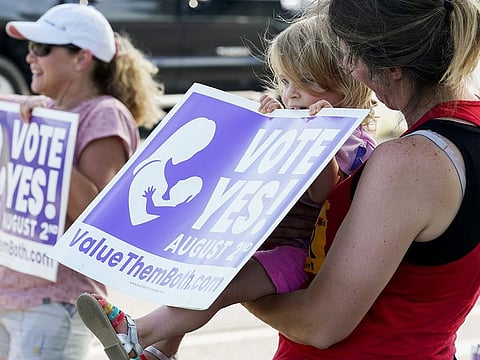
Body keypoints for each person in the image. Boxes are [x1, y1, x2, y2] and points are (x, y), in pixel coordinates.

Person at [75, 15, 377, 360]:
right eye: (284, 81)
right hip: (266, 241)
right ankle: (161, 349)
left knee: (217, 288)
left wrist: (319, 141)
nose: (291, 94)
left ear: (347, 85)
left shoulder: (352, 141)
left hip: (301, 254)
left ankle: (138, 333)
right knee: (198, 274)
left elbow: (324, 194)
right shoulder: (297, 118)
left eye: (306, 82)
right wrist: (265, 127)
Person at [242, 0, 480, 359]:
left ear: (393, 66)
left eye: (352, 58)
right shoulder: (466, 132)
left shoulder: (408, 162)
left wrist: (230, 289)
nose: (353, 73)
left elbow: (320, 325)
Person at [0, 3, 163, 360]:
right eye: (29, 48)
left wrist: (47, 141)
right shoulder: (42, 109)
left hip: (54, 305)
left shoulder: (104, 113)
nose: (30, 57)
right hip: (10, 297)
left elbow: (97, 217)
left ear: (81, 58)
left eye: (41, 49)